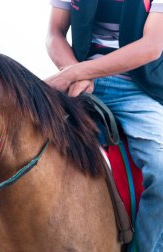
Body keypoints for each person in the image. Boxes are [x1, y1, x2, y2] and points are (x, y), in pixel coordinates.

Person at [45, 1, 163, 251]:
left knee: (161, 170)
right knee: (1, 133)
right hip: (78, 79)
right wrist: (73, 73)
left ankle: (146, 247)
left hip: (138, 89)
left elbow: (152, 46)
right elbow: (54, 33)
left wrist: (75, 73)